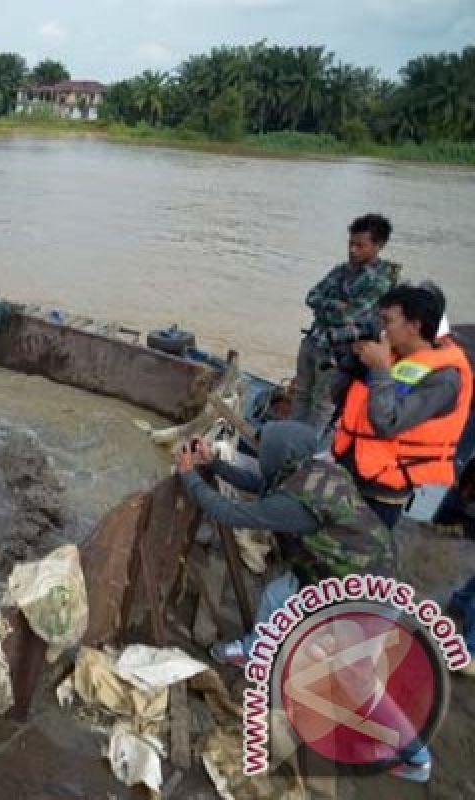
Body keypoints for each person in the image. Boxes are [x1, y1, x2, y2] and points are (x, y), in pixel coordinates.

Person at [176, 424, 431, 782]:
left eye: (266, 451)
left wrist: (190, 478)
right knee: (277, 595)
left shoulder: (295, 504)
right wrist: (213, 464)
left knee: (357, 682)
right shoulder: (316, 470)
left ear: (281, 457)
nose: (261, 456)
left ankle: (417, 755)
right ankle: (255, 649)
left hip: (366, 596)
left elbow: (234, 514)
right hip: (344, 571)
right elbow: (262, 486)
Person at [332, 284, 472, 530]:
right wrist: (352, 364)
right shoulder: (393, 356)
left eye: (387, 321)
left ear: (415, 326)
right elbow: (338, 397)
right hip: (347, 472)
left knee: (357, 558)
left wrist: (379, 370)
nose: (381, 328)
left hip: (381, 491)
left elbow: (387, 423)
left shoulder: (443, 378)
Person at [292, 214, 399, 433]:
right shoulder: (342, 270)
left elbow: (348, 317)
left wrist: (328, 308)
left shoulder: (380, 281)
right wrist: (335, 304)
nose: (353, 250)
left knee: (322, 405)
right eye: (351, 244)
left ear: (378, 246)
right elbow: (311, 296)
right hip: (315, 340)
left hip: (338, 352)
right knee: (301, 393)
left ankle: (305, 451)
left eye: (360, 245)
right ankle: (291, 437)